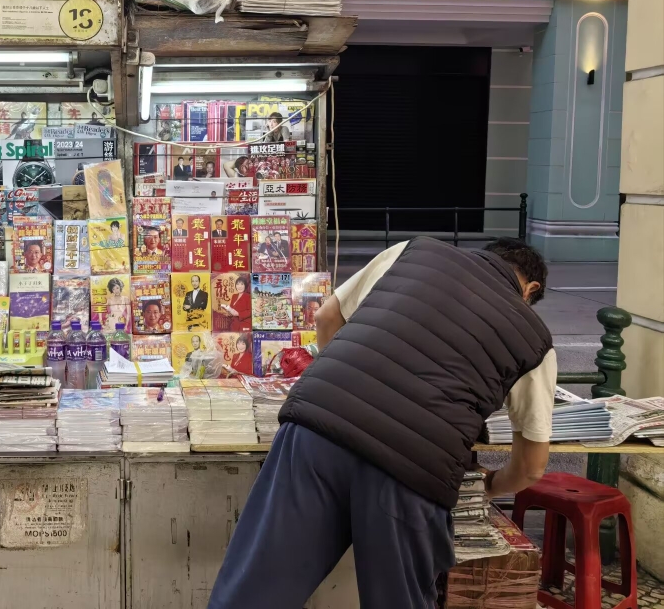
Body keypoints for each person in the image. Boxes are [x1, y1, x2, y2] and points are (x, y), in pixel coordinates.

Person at [207, 237, 554, 609]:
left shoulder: (415, 250)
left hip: (316, 428)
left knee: (256, 587)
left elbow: (326, 316)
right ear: (530, 290)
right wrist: (490, 484)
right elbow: (531, 468)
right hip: (412, 466)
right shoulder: (534, 339)